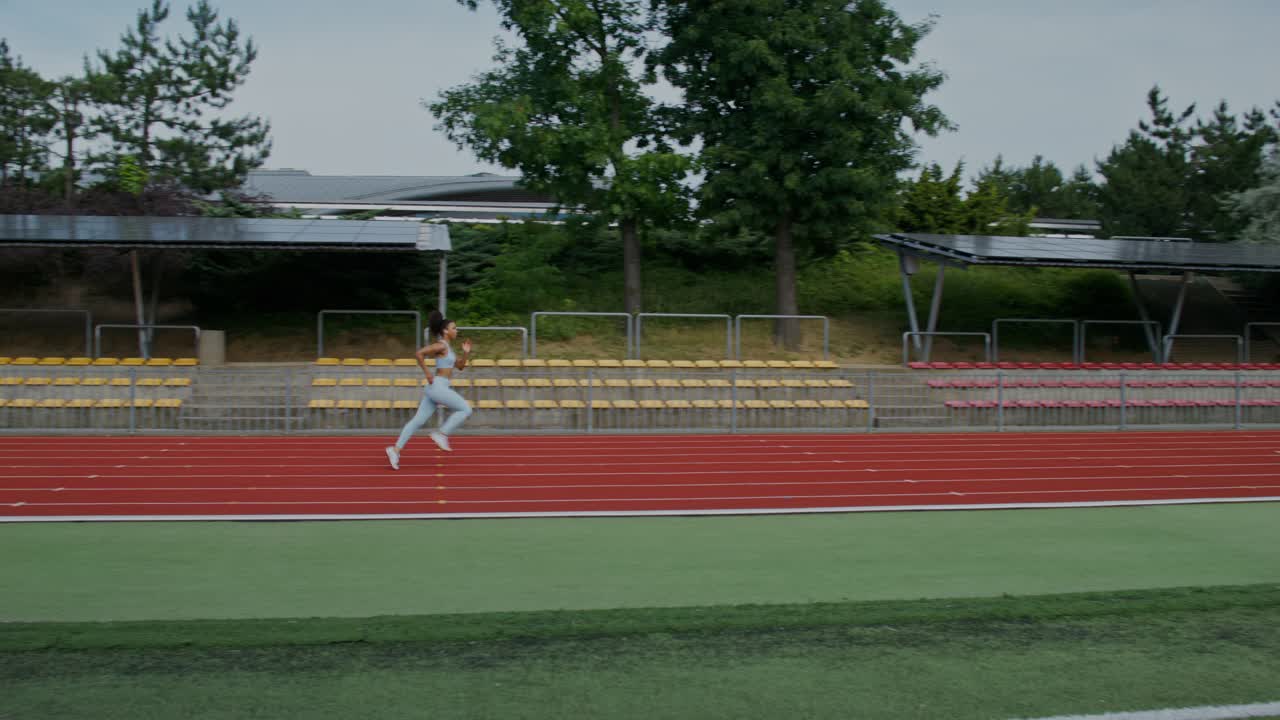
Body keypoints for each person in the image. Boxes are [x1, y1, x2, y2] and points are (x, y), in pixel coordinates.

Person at [384, 311, 473, 469]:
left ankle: (395, 450)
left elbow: (460, 366)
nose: (457, 330)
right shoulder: (441, 345)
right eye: (454, 328)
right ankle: (442, 433)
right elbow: (419, 353)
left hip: (437, 387)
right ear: (445, 331)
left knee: (417, 421)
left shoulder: (449, 349)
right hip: (437, 385)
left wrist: (465, 353)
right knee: (466, 409)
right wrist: (427, 373)